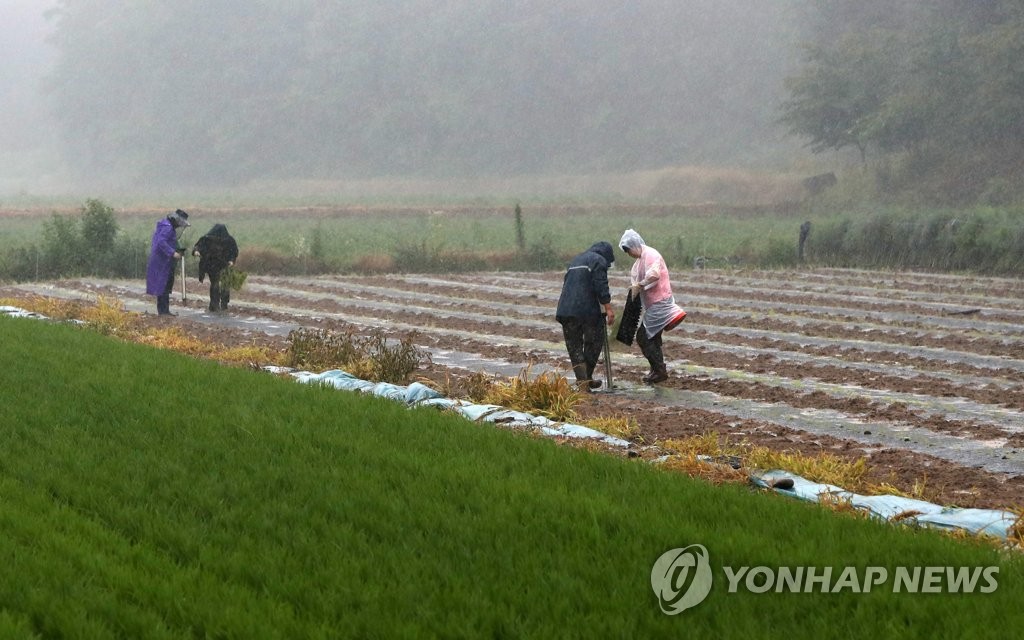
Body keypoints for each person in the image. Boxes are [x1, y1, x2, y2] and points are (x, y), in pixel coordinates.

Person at [619, 229, 687, 384]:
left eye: (628, 250)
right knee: (653, 337)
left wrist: (640, 285)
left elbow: (654, 274)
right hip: (652, 305)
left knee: (643, 336)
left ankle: (659, 370)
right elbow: (635, 286)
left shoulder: (651, 255)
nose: (629, 254)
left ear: (634, 244)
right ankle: (656, 369)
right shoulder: (638, 264)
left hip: (660, 302)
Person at [555, 241, 616, 390]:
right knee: (594, 341)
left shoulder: (576, 260)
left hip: (565, 310)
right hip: (586, 309)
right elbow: (600, 284)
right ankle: (585, 381)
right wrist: (608, 308)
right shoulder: (599, 260)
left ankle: (584, 381)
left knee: (574, 347)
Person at [146, 209, 190, 316]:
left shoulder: (165, 225)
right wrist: (172, 253)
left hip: (162, 260)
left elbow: (169, 242)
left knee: (164, 286)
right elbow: (161, 242)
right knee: (163, 285)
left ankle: (164, 310)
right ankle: (163, 311)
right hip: (162, 260)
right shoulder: (168, 228)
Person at [191, 223, 240, 312]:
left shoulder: (229, 240)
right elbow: (197, 247)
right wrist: (196, 251)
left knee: (225, 285)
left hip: (225, 265)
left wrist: (232, 261)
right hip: (212, 265)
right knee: (215, 284)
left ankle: (224, 304)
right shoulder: (207, 239)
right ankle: (214, 304)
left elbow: (234, 252)